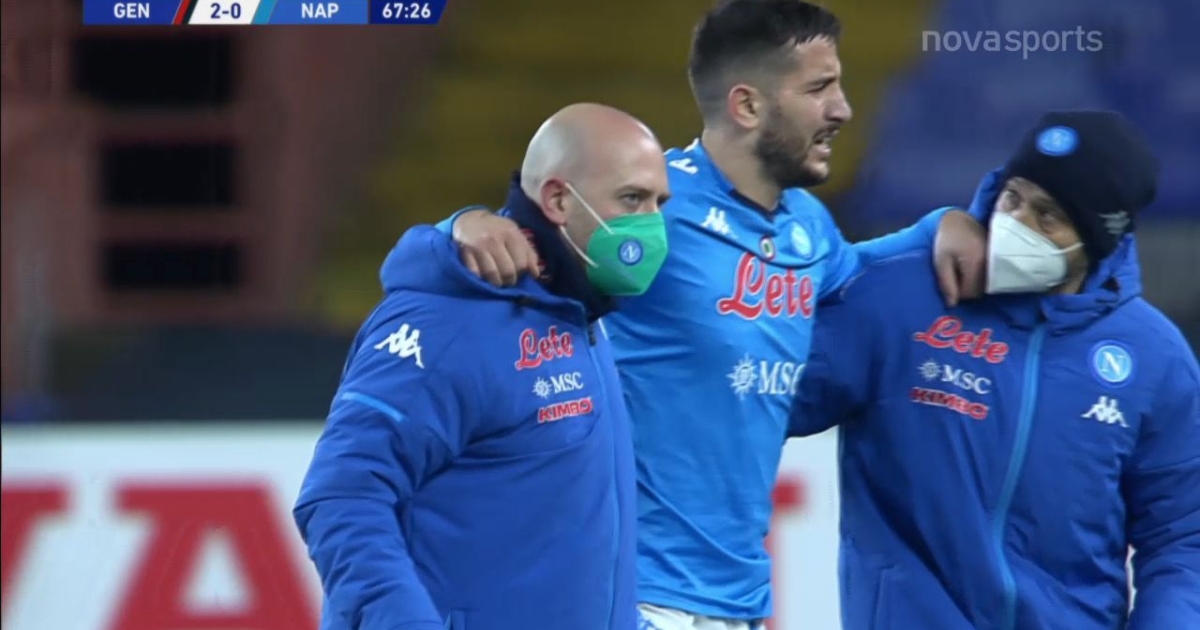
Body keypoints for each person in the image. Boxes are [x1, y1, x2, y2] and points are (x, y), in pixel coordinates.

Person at [431, 2, 987, 628]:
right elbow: (511, 250)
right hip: (631, 590)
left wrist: (941, 226)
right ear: (747, 106)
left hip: (739, 601)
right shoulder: (652, 205)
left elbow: (863, 274)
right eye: (819, 88)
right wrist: (459, 228)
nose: (842, 109)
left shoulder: (808, 227)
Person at [789, 110, 1200, 630]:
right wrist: (920, 237)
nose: (1016, 224)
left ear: (1098, 237)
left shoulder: (1155, 358)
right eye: (1013, 197)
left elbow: (1182, 537)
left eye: (1047, 215)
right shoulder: (906, 294)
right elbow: (766, 397)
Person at [293, 102, 673, 630]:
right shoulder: (445, 320)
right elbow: (342, 497)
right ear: (558, 199)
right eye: (632, 199)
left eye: (658, 203)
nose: (651, 224)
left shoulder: (582, 317)